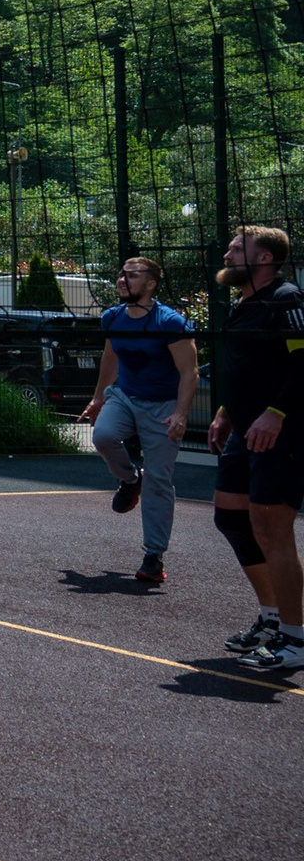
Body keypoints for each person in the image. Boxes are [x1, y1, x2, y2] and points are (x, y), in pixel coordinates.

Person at [205, 228, 304, 670]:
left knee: (272, 530)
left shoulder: (287, 299)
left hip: (281, 433)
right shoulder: (243, 303)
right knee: (231, 517)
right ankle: (271, 617)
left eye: (236, 249)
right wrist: (225, 411)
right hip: (244, 432)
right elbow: (245, 367)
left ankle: (297, 641)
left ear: (263, 258)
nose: (227, 254)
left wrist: (276, 413)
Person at [80, 256, 198, 587]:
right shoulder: (113, 317)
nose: (122, 279)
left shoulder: (169, 322)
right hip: (125, 396)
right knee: (102, 436)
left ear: (151, 284)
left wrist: (181, 413)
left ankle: (153, 556)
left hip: (163, 406)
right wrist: (98, 398)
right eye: (121, 274)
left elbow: (190, 371)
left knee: (159, 479)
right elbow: (110, 356)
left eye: (132, 275)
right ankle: (131, 480)